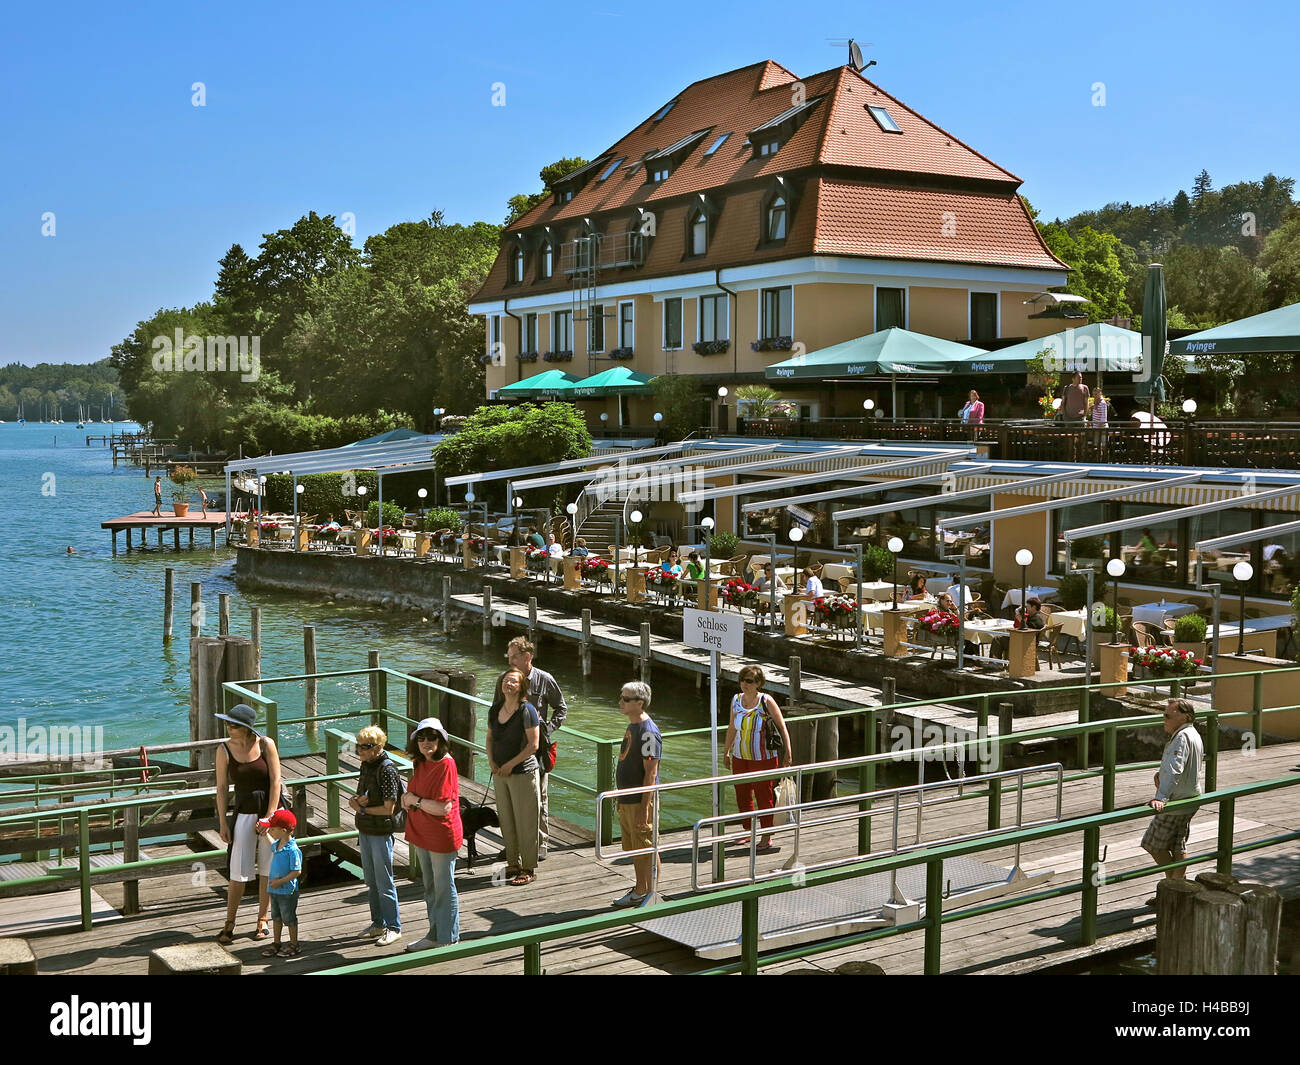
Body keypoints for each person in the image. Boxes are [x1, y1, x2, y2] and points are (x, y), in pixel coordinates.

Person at [491, 637, 567, 860]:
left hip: (535, 749)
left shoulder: (544, 679)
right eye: (509, 656)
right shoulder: (503, 680)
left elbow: (561, 708)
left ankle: (540, 843)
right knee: (509, 800)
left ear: (527, 657)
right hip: (508, 748)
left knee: (539, 798)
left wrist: (547, 730)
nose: (510, 660)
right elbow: (496, 710)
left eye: (514, 656)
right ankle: (513, 845)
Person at [213, 703, 281, 944]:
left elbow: (276, 781)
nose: (229, 727)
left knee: (267, 867)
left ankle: (262, 919)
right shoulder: (224, 749)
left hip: (270, 812)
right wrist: (222, 821)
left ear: (246, 728)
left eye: (234, 725)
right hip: (243, 811)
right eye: (227, 723)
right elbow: (221, 789)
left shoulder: (266, 744)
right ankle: (229, 922)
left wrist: (270, 815)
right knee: (237, 870)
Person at [401, 717, 464, 950]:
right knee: (430, 887)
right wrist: (408, 799)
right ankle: (434, 934)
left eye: (432, 737)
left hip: (441, 835)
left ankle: (447, 938)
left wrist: (413, 800)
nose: (426, 742)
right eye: (421, 737)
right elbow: (413, 796)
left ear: (441, 740)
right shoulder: (420, 762)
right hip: (420, 832)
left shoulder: (446, 764)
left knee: (443, 888)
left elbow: (443, 807)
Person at [723, 665, 793, 853]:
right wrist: (726, 751)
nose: (744, 684)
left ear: (758, 683)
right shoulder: (736, 700)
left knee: (764, 795)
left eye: (749, 681)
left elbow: (782, 726)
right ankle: (748, 829)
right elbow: (732, 727)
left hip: (763, 758)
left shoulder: (765, 700)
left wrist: (788, 751)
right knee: (742, 793)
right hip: (740, 756)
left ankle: (766, 835)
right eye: (742, 680)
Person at [1141, 699, 1204, 907]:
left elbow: (1175, 768)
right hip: (1190, 798)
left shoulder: (1182, 737)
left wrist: (1160, 798)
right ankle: (1177, 890)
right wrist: (1162, 776)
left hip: (1176, 802)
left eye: (1168, 715)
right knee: (1177, 844)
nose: (1164, 719)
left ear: (1184, 717)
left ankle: (1173, 888)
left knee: (1152, 844)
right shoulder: (1193, 734)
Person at [348, 725, 402, 947]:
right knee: (371, 881)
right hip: (366, 829)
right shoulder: (366, 765)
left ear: (378, 748)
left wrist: (361, 809)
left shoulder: (387, 770)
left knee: (384, 882)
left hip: (380, 832)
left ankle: (394, 927)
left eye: (365, 746)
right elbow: (367, 795)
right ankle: (377, 923)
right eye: (358, 745)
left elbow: (389, 808)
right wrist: (358, 800)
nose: (360, 750)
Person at [486, 668, 541, 885]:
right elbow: (490, 738)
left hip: (523, 773)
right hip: (500, 773)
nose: (508, 684)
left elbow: (533, 745)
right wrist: (492, 762)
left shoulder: (527, 711)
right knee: (506, 819)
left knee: (526, 821)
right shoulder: (495, 709)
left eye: (513, 682)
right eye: (505, 681)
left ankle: (528, 867)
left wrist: (510, 765)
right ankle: (513, 862)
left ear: (522, 687)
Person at [611, 681, 661, 908]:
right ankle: (640, 889)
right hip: (628, 798)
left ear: (639, 703)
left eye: (626, 699)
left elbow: (651, 773)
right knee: (635, 846)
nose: (620, 702)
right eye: (621, 697)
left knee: (647, 846)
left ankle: (652, 893)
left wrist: (644, 807)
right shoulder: (632, 726)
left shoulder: (648, 731)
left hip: (641, 801)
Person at [259, 809, 302, 958]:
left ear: (283, 830)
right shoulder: (278, 844)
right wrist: (266, 834)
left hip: (287, 891)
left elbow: (297, 871)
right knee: (276, 916)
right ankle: (277, 942)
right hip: (275, 890)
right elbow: (272, 845)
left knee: (289, 917)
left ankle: (294, 944)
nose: (270, 829)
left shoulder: (292, 850)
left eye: (272, 828)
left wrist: (280, 882)